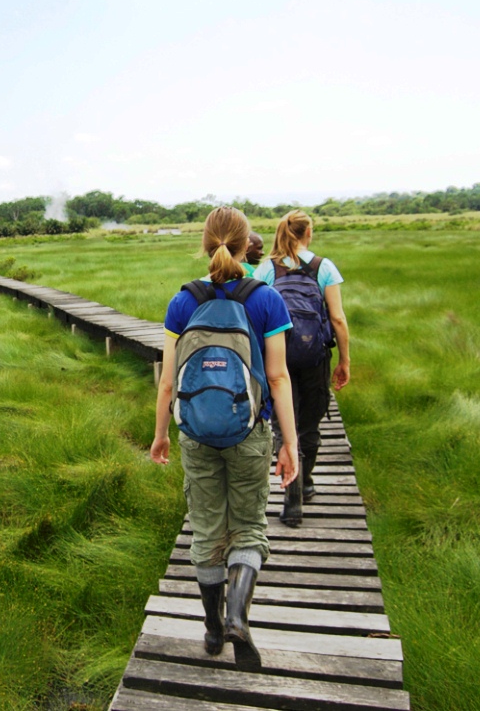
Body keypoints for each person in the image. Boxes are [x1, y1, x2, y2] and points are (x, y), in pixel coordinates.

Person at [151, 206, 299, 669]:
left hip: (195, 432)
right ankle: (238, 614)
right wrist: (289, 444)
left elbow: (168, 383)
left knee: (207, 529)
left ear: (205, 243)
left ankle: (213, 628)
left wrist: (161, 435)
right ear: (245, 242)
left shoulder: (183, 300)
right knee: (249, 527)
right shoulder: (266, 298)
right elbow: (278, 379)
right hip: (251, 431)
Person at [254, 210, 350, 526]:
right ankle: (305, 482)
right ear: (307, 233)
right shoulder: (324, 267)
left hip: (276, 358)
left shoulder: (267, 268)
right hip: (315, 358)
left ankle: (291, 499)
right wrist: (344, 360)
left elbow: (255, 316)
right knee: (309, 422)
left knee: (284, 425)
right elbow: (337, 319)